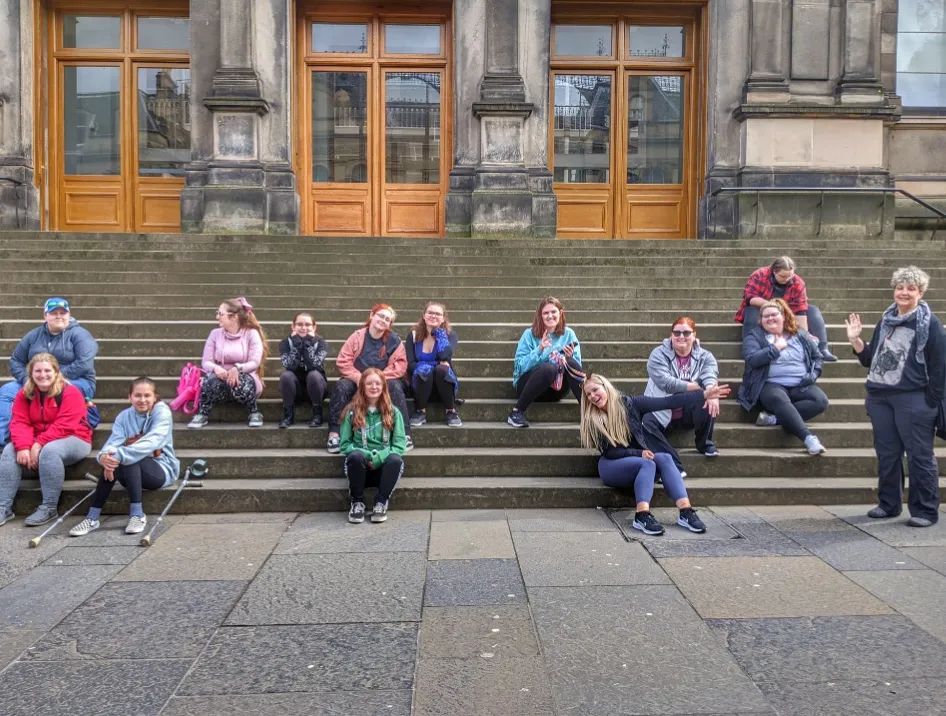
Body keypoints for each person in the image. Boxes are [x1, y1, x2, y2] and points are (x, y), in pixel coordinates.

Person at [846, 266, 944, 527]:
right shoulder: (886, 319)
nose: (904, 292)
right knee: (887, 453)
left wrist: (930, 402)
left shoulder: (929, 324)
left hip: (913, 398)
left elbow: (940, 367)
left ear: (920, 293)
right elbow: (870, 360)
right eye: (900, 287)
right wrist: (856, 341)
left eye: (911, 288)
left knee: (919, 455)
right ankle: (889, 504)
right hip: (880, 396)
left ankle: (925, 511)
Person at [580, 373, 730, 535]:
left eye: (595, 390)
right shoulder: (592, 419)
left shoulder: (631, 404)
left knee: (665, 457)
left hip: (637, 459)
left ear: (605, 386)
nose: (593, 396)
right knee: (647, 462)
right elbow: (610, 452)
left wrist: (704, 394)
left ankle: (686, 512)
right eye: (588, 394)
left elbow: (667, 402)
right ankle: (641, 515)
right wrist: (639, 453)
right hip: (611, 465)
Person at [69, 377, 180, 537]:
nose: (142, 400)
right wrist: (104, 457)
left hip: (161, 469)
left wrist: (118, 455)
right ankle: (92, 518)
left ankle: (137, 514)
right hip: (130, 471)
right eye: (137, 395)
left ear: (155, 397)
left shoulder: (162, 412)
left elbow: (153, 440)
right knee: (115, 456)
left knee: (126, 456)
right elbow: (113, 442)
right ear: (130, 397)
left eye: (147, 396)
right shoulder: (123, 416)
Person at [0, 354, 93, 527]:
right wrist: (23, 446)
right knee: (9, 450)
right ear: (31, 373)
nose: (43, 375)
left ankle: (49, 507)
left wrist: (38, 443)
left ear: (56, 372)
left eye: (47, 370)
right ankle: (3, 507)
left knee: (50, 451)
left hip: (74, 438)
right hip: (39, 439)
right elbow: (20, 422)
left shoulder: (71, 392)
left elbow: (65, 425)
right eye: (38, 371)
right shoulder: (24, 394)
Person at [0, 297, 98, 442]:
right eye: (53, 313)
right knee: (7, 392)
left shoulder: (80, 335)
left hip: (77, 380)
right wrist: (28, 379)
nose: (59, 316)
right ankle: (5, 440)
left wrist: (53, 379)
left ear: (69, 315)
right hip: (37, 379)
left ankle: (51, 437)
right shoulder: (33, 335)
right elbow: (16, 360)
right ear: (45, 316)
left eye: (63, 313)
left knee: (66, 391)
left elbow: (84, 364)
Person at [738, 298, 829, 455]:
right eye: (766, 316)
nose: (770, 318)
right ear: (761, 321)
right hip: (770, 384)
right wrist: (775, 348)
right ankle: (809, 439)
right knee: (780, 399)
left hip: (800, 383)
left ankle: (775, 419)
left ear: (784, 316)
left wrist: (814, 374)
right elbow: (752, 359)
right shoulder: (755, 337)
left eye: (774, 314)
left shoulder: (800, 334)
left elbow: (817, 357)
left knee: (820, 401)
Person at [327, 304, 412, 454]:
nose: (383, 320)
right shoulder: (357, 336)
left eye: (387, 319)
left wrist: (380, 378)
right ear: (372, 315)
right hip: (358, 380)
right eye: (380, 315)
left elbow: (401, 364)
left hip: (383, 381)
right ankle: (335, 433)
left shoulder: (394, 341)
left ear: (389, 324)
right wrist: (359, 378)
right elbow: (343, 360)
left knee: (395, 387)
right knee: (341, 386)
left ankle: (404, 434)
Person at [643, 316, 721, 475]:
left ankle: (704, 443)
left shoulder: (705, 356)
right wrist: (699, 387)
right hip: (662, 408)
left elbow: (710, 374)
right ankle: (674, 464)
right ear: (671, 334)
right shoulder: (658, 354)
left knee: (708, 399)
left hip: (687, 413)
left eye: (686, 332)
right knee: (645, 424)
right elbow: (666, 383)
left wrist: (712, 392)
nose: (681, 337)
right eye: (677, 332)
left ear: (694, 334)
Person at [734, 256, 838, 362]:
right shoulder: (759, 275)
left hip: (788, 311)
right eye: (783, 276)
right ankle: (750, 348)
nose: (787, 279)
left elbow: (800, 309)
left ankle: (822, 348)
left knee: (813, 311)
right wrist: (774, 306)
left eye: (790, 276)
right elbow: (750, 298)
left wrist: (804, 336)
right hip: (761, 308)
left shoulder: (798, 282)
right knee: (751, 311)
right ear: (774, 271)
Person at [188, 297, 269, 429]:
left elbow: (255, 362)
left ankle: (254, 411)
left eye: (220, 314)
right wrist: (216, 369)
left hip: (245, 377)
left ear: (234, 317)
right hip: (221, 378)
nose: (217, 317)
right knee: (209, 380)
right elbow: (206, 362)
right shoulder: (214, 334)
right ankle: (202, 414)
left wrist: (238, 369)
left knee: (242, 382)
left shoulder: (251, 334)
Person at [340, 367, 407, 524]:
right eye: (369, 383)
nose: (374, 387)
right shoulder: (351, 412)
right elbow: (344, 445)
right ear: (362, 386)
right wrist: (367, 455)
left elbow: (399, 445)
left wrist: (380, 457)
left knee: (395, 459)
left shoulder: (394, 412)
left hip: (384, 470)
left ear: (383, 386)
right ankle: (357, 502)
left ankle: (381, 502)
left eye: (377, 383)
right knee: (355, 456)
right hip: (360, 468)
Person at [508, 296, 584, 428]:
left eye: (553, 312)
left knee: (571, 362)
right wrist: (540, 350)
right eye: (545, 313)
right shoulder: (529, 335)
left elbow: (578, 370)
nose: (550, 316)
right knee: (549, 368)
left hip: (557, 390)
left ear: (560, 313)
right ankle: (516, 413)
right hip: (528, 387)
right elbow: (519, 368)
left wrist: (569, 358)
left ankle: (589, 413)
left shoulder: (569, 334)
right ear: (540, 316)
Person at [406, 302, 462, 428]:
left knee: (441, 370)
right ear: (424, 315)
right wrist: (429, 367)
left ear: (443, 318)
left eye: (438, 314)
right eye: (430, 312)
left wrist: (440, 334)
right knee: (425, 370)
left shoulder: (449, 335)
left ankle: (450, 411)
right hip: (421, 383)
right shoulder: (413, 335)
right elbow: (410, 364)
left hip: (443, 384)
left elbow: (444, 356)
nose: (433, 316)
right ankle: (420, 410)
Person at [277, 312, 329, 428]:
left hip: (317, 389)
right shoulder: (285, 343)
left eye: (308, 324)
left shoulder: (321, 343)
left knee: (313, 375)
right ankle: (288, 416)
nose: (303, 328)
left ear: (314, 327)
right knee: (286, 376)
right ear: (293, 326)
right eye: (299, 324)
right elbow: (289, 365)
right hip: (295, 390)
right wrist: (296, 345)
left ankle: (317, 415)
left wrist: (307, 344)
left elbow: (314, 365)